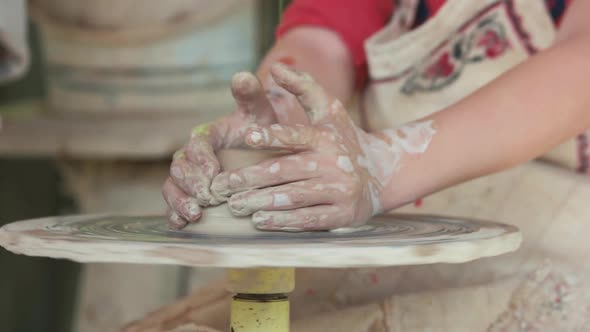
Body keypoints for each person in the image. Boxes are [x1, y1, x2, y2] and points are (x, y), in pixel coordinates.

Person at [155, 0, 590, 330]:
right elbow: (318, 42)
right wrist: (276, 121)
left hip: (562, 248)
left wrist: (382, 165)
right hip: (401, 243)